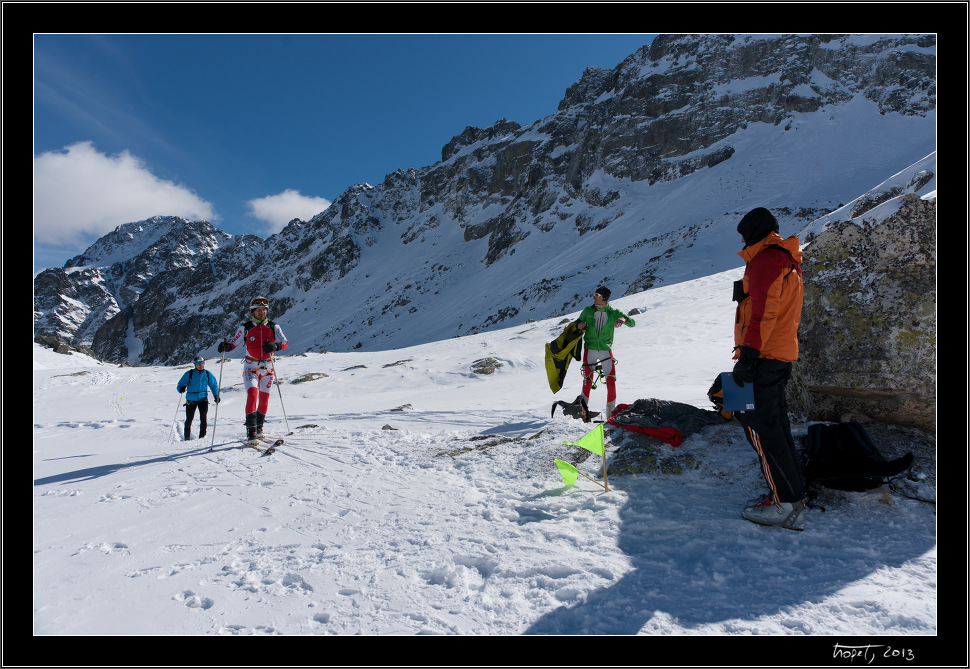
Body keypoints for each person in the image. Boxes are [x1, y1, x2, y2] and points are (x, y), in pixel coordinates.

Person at [731, 207, 806, 530]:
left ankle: (785, 505)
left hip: (763, 356)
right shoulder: (786, 259)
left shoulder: (765, 261)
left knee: (759, 426)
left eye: (744, 234)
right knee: (776, 427)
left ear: (755, 232)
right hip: (779, 355)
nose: (743, 240)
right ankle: (792, 494)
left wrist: (748, 358)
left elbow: (763, 313)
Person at [218, 296, 289, 443]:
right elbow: (233, 343)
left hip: (268, 368)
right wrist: (226, 347)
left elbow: (285, 343)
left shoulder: (274, 326)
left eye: (264, 310)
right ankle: (251, 431)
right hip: (251, 367)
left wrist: (276, 346)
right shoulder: (245, 327)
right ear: (253, 311)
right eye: (258, 310)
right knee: (252, 395)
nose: (261, 312)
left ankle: (259, 427)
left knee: (264, 399)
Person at [571, 286, 635, 420]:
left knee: (611, 383)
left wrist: (623, 319)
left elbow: (632, 322)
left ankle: (610, 417)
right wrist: (578, 326)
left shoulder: (613, 312)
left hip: (606, 350)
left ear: (604, 298)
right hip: (590, 350)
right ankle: (583, 414)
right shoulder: (588, 311)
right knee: (587, 382)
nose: (593, 297)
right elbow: (576, 323)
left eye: (597, 295)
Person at [176, 355, 220, 440]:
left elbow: (214, 385)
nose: (201, 365)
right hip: (191, 400)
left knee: (203, 419)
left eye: (202, 363)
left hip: (203, 399)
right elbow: (180, 384)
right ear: (195, 365)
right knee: (189, 419)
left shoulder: (207, 374)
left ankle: (202, 437)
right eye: (199, 364)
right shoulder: (189, 373)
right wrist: (181, 388)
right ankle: (187, 437)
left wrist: (216, 395)